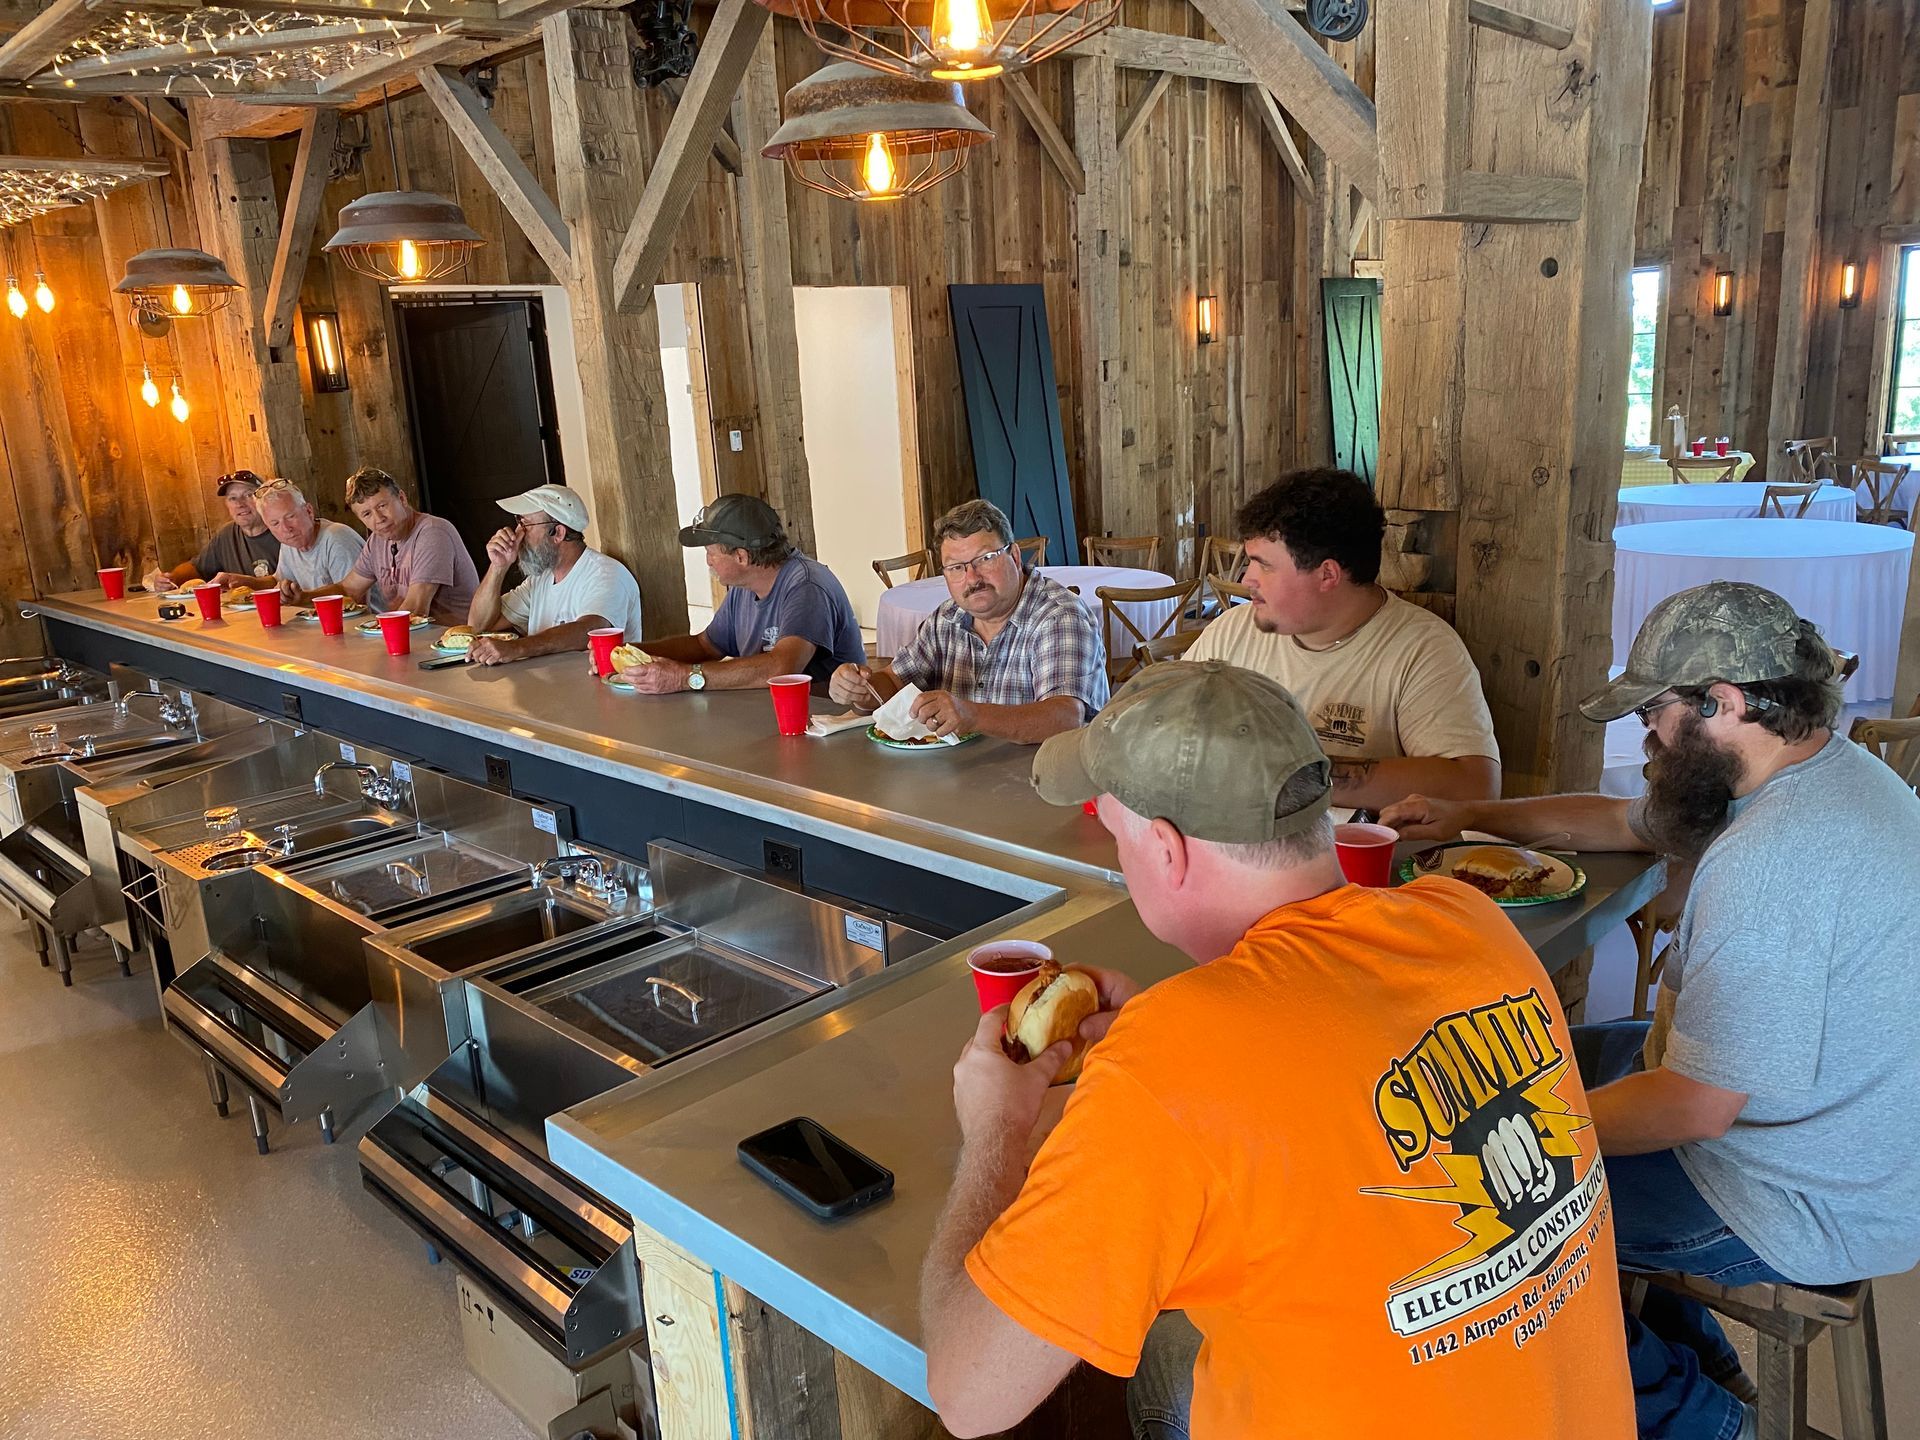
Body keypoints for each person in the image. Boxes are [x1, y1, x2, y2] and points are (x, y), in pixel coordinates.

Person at [920, 659, 1634, 1439]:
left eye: (1111, 827)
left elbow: (967, 1394)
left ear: (1165, 847)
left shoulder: (1172, 1065)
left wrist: (996, 1132)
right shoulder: (1465, 918)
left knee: (1156, 1373)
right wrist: (1167, 1047)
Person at [1381, 582, 1920, 1440]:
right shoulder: (1818, 773)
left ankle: (1699, 1421)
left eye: (1655, 714)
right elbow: (1620, 820)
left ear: (1725, 703)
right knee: (1532, 1068)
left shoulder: (1772, 861)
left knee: (1456, 1209)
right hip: (1830, 1136)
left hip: (1796, 1195)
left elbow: (1693, 1108)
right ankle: (1693, 1355)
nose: (1647, 737)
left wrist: (1502, 1138)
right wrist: (1471, 814)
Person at [1186, 468, 1498, 809]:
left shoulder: (1422, 649)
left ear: (1327, 574)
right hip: (1238, 851)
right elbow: (1172, 723)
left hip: (1359, 857)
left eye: (1264, 565)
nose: (1247, 579)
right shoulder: (1233, 629)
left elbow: (1474, 786)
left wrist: (1297, 776)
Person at [828, 499, 1106, 744]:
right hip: (959, 779)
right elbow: (893, 679)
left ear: (1015, 556)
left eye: (985, 559)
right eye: (956, 568)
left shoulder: (1058, 615)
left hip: (1042, 783)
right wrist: (860, 691)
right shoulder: (947, 618)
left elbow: (1065, 717)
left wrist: (972, 715)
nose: (972, 578)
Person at [613, 493, 863, 693]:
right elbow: (706, 645)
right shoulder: (744, 587)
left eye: (711, 552)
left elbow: (781, 668)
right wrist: (633, 654)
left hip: (821, 721)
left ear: (741, 556)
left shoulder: (807, 587)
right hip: (763, 714)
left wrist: (684, 678)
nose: (708, 561)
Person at [464, 484, 643, 665]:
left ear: (558, 533)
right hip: (549, 689)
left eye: (525, 524)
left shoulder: (607, 574)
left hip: (593, 691)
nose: (517, 534)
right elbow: (478, 626)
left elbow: (589, 631)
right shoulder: (539, 579)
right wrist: (498, 567)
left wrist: (517, 647)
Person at [295, 467, 479, 626]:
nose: (378, 519)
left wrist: (375, 631)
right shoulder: (377, 540)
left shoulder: (433, 531)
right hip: (410, 637)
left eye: (382, 506)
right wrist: (301, 597)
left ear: (402, 498)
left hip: (454, 644)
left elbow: (416, 608)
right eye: (367, 514)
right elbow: (348, 589)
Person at [142, 470, 281, 593]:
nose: (240, 504)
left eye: (248, 495)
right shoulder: (226, 535)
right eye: (233, 498)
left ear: (264, 499)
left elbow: (288, 580)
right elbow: (197, 568)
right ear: (227, 505)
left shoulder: (283, 531)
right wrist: (171, 579)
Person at [249, 478, 363, 600]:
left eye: (290, 516)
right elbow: (278, 580)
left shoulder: (337, 538)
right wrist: (242, 581)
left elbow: (354, 597)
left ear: (309, 511)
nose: (286, 528)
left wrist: (303, 598)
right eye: (275, 523)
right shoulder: (290, 542)